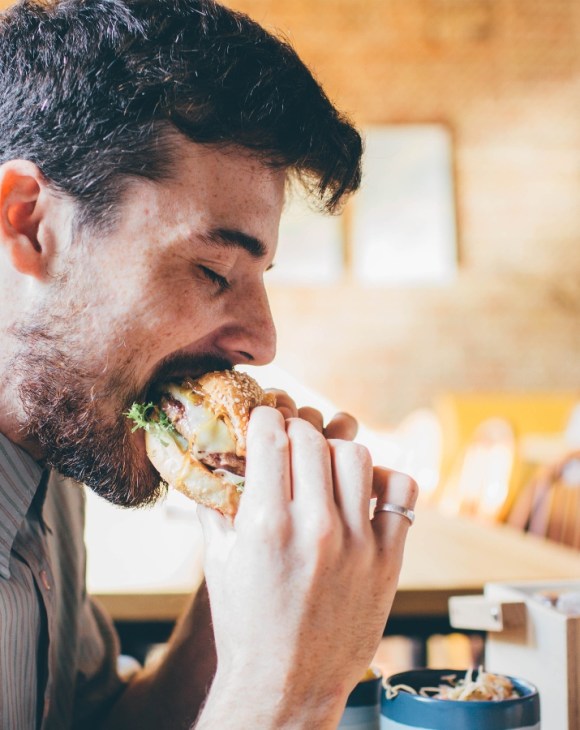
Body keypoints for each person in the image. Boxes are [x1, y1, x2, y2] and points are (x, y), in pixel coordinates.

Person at [0, 0, 418, 727]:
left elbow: (99, 721)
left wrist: (253, 589)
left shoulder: (54, 441)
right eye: (213, 269)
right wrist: (292, 690)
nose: (263, 341)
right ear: (30, 222)